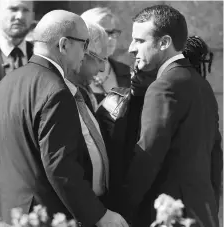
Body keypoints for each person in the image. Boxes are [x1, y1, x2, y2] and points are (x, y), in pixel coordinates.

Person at [0, 10, 129, 227]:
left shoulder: (8, 82)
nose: (84, 54)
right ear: (63, 45)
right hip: (41, 216)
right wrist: (99, 215)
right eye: (84, 45)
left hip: (7, 214)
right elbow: (60, 166)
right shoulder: (56, 91)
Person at [96, 5, 222, 227]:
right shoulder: (200, 83)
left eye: (140, 40)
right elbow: (215, 157)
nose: (131, 49)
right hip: (201, 214)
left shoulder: (164, 86)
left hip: (168, 216)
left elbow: (148, 155)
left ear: (164, 43)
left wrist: (120, 211)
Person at [0, 0, 34, 186]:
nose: (20, 16)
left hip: (32, 174)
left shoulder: (43, 56)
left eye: (26, 10)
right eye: (13, 9)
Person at [81, 7, 131, 104]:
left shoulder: (126, 71)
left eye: (113, 32)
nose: (111, 38)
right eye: (103, 32)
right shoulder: (73, 71)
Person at [77, 18, 109, 112]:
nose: (102, 69)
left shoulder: (83, 91)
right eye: (100, 60)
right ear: (82, 54)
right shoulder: (61, 93)